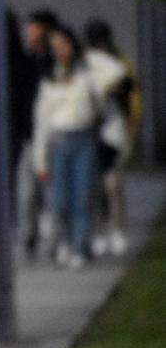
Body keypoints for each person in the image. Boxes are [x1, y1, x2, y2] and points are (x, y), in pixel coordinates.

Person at [33, 24, 104, 269]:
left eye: (64, 45)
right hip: (58, 141)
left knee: (82, 196)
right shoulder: (49, 79)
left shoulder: (87, 74)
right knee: (59, 199)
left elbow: (101, 104)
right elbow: (42, 121)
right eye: (55, 47)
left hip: (83, 138)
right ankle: (64, 241)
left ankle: (80, 246)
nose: (60, 51)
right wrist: (40, 159)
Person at [83, 19, 138, 257]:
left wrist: (132, 124)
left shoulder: (120, 65)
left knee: (113, 184)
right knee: (95, 186)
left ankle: (117, 230)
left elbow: (131, 97)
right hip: (91, 129)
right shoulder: (85, 64)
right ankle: (99, 231)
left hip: (113, 128)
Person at [14, 9, 58, 261]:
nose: (29, 33)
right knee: (27, 194)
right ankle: (28, 240)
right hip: (30, 137)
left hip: (55, 136)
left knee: (53, 194)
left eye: (34, 28)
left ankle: (56, 241)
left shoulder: (56, 62)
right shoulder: (25, 62)